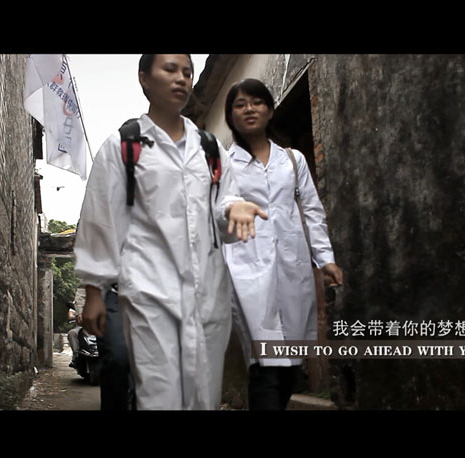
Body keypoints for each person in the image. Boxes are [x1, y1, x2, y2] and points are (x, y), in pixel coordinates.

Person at [73, 54, 268, 410]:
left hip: (208, 294)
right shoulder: (123, 146)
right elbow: (100, 219)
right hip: (149, 292)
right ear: (144, 78)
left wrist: (233, 209)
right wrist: (94, 290)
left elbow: (223, 209)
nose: (181, 78)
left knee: (204, 397)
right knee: (159, 397)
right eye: (170, 69)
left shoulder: (210, 150)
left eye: (187, 72)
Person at [222, 78, 344, 410]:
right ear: (230, 117)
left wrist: (325, 258)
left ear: (270, 110)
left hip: (292, 266)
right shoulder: (224, 164)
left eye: (257, 102)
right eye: (240, 104)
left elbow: (312, 211)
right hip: (247, 269)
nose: (249, 109)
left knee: (290, 365)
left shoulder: (292, 160)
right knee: (265, 364)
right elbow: (216, 210)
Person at [65, 301, 83, 368]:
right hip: (81, 327)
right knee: (72, 333)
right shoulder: (77, 303)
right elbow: (70, 316)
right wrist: (78, 316)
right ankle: (76, 355)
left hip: (97, 327)